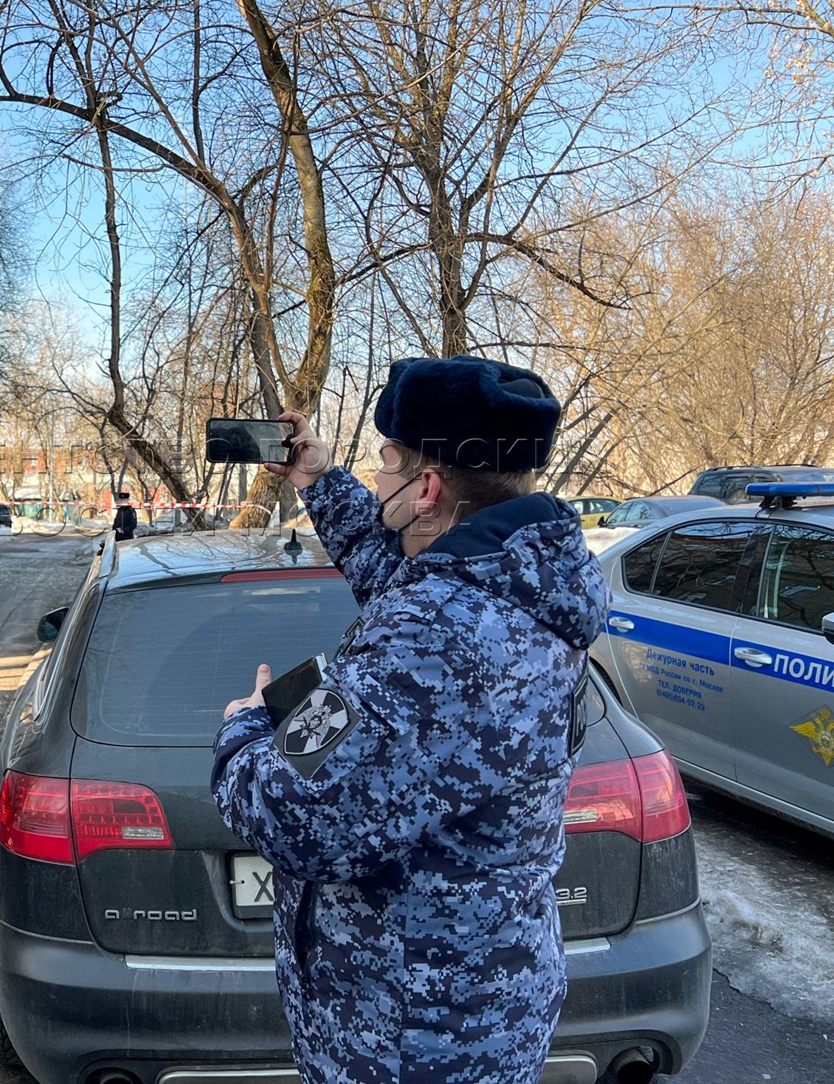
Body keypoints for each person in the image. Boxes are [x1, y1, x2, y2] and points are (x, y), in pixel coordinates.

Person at [211, 356, 609, 1084]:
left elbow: (297, 815)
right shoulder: (516, 578)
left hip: (412, 1036)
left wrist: (246, 731)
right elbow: (402, 573)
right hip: (475, 1005)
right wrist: (320, 481)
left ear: (426, 489)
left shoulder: (435, 635)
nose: (379, 472)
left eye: (387, 460)